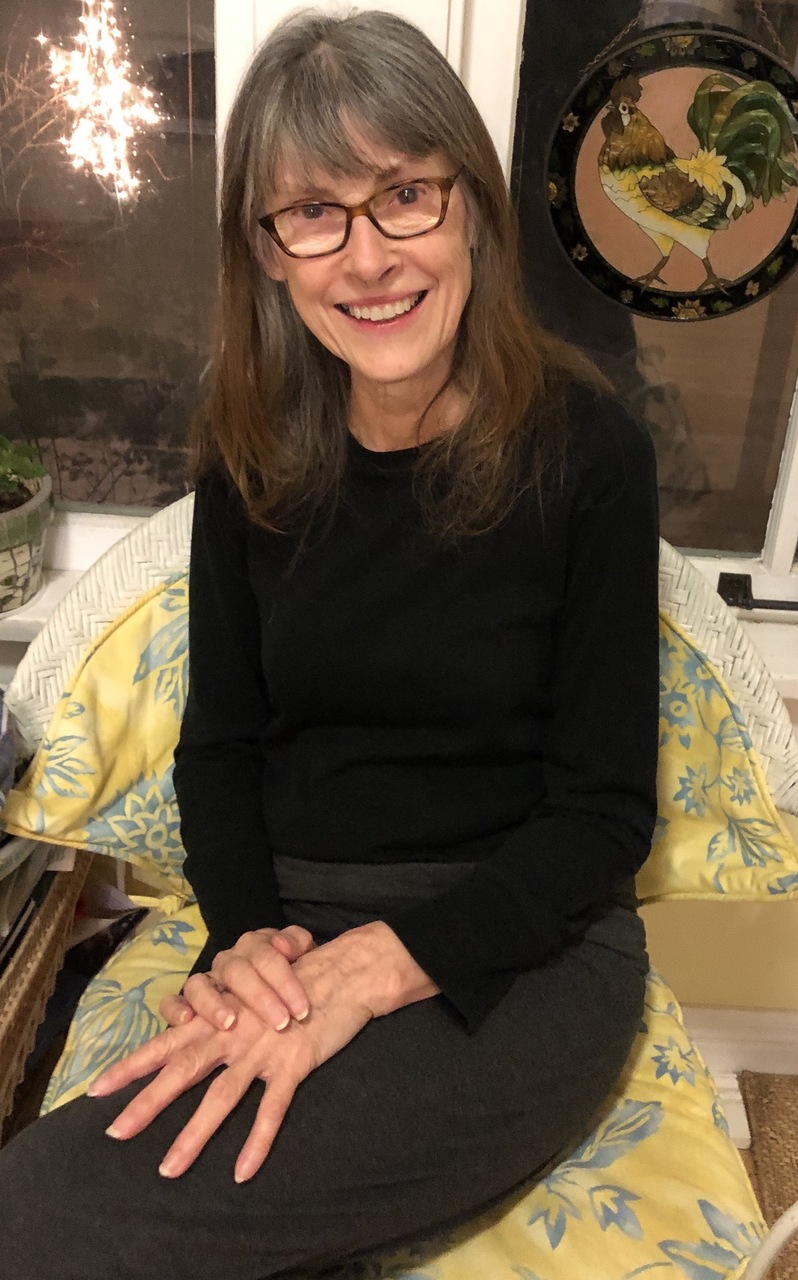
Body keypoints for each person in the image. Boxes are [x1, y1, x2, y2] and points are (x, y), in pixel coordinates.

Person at [1, 10, 659, 1279]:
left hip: (517, 941)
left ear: (470, 207)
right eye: (314, 212)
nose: (367, 257)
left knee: (52, 1219)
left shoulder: (588, 452)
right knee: (84, 1195)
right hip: (291, 920)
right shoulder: (245, 446)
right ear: (269, 253)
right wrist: (245, 937)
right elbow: (221, 748)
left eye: (404, 194)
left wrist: (384, 969)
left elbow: (601, 816)